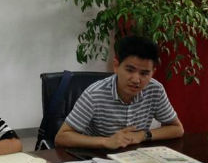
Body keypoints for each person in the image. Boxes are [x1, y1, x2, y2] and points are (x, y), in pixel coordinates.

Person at [55, 35, 184, 149]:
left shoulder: (155, 90)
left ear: (153, 72)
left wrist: (143, 135)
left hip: (134, 157)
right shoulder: (94, 94)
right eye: (130, 70)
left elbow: (177, 129)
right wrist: (106, 141)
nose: (136, 80)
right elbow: (61, 137)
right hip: (97, 156)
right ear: (116, 66)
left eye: (144, 73)